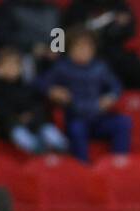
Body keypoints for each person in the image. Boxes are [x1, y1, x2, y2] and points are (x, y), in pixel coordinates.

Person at [35, 28, 131, 163]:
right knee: (76, 129)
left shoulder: (100, 68)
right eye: (79, 46)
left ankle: (119, 165)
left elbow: (116, 86)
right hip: (76, 117)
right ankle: (82, 168)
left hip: (98, 116)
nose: (84, 50)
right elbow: (40, 83)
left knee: (123, 122)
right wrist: (53, 90)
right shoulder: (62, 67)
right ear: (70, 49)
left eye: (87, 46)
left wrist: (111, 97)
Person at [0, 46, 68, 155]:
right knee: (23, 136)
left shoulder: (27, 86)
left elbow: (38, 105)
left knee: (53, 136)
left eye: (16, 64)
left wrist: (31, 116)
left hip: (36, 122)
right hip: (12, 126)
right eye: (7, 64)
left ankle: (63, 156)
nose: (12, 68)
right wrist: (16, 118)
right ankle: (40, 154)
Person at [63, 0, 140, 90]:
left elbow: (130, 31)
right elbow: (67, 34)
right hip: (84, 55)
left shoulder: (120, 6)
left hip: (114, 55)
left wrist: (121, 26)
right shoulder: (77, 7)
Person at [0, 0, 62, 80]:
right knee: (25, 61)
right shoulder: (9, 7)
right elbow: (1, 35)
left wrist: (55, 49)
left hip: (49, 57)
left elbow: (60, 33)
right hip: (21, 54)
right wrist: (31, 47)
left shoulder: (52, 9)